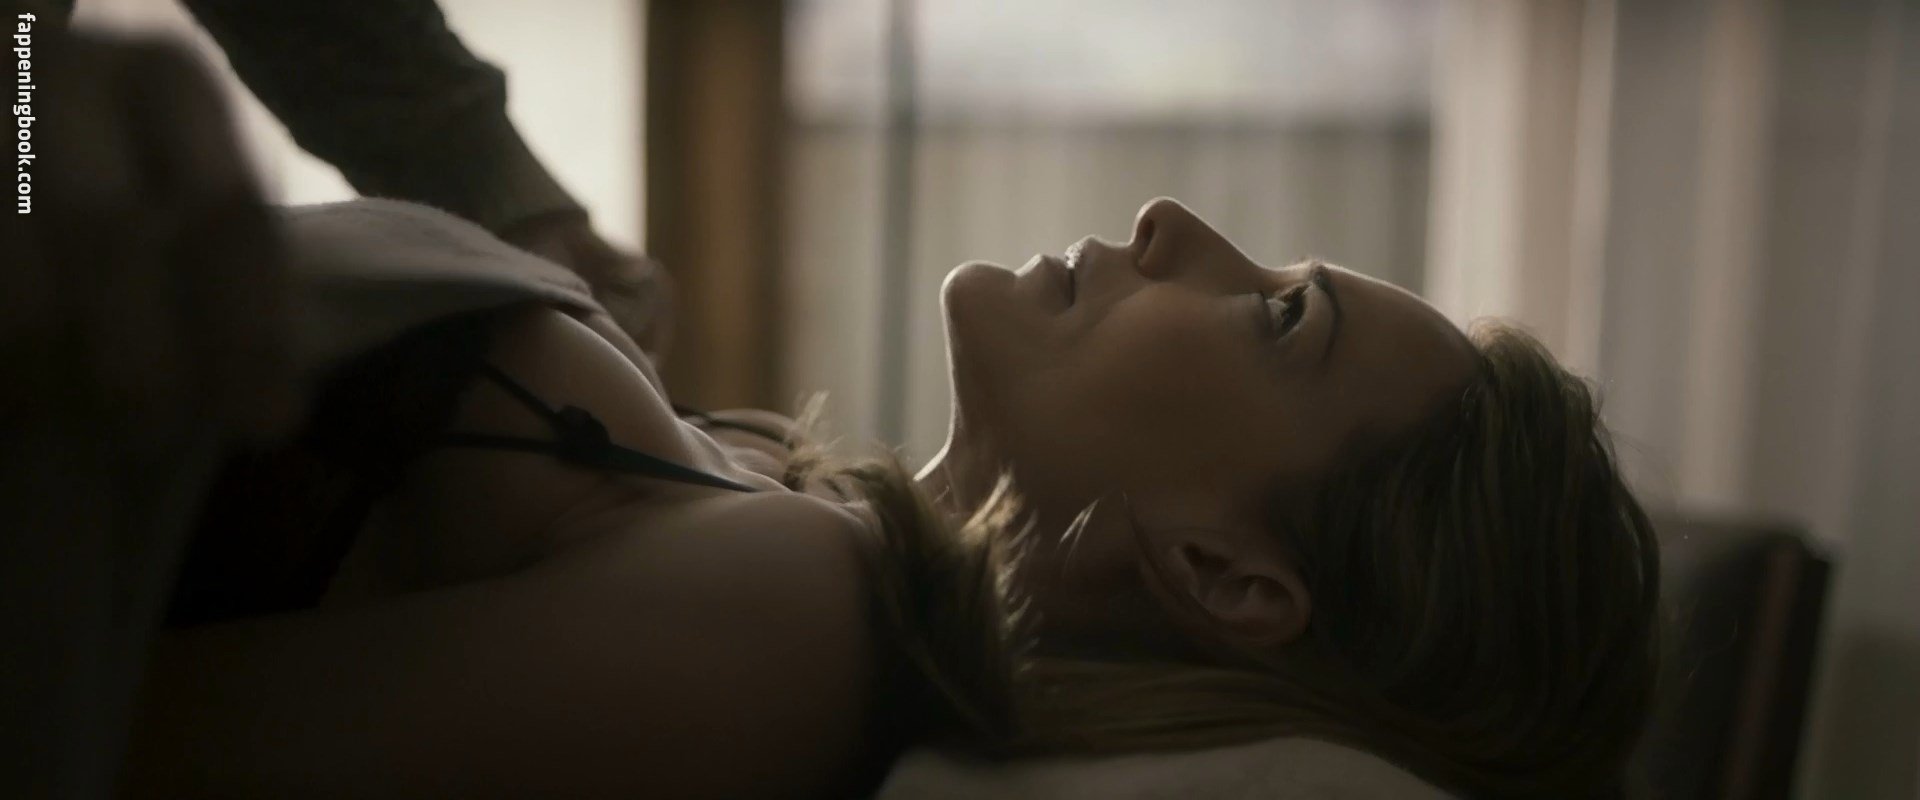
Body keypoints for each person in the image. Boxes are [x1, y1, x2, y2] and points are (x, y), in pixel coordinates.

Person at [121, 194, 1660, 799]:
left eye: (1277, 315)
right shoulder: (775, 505)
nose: (1173, 221)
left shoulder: (803, 620)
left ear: (1223, 571)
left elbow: (78, 738)